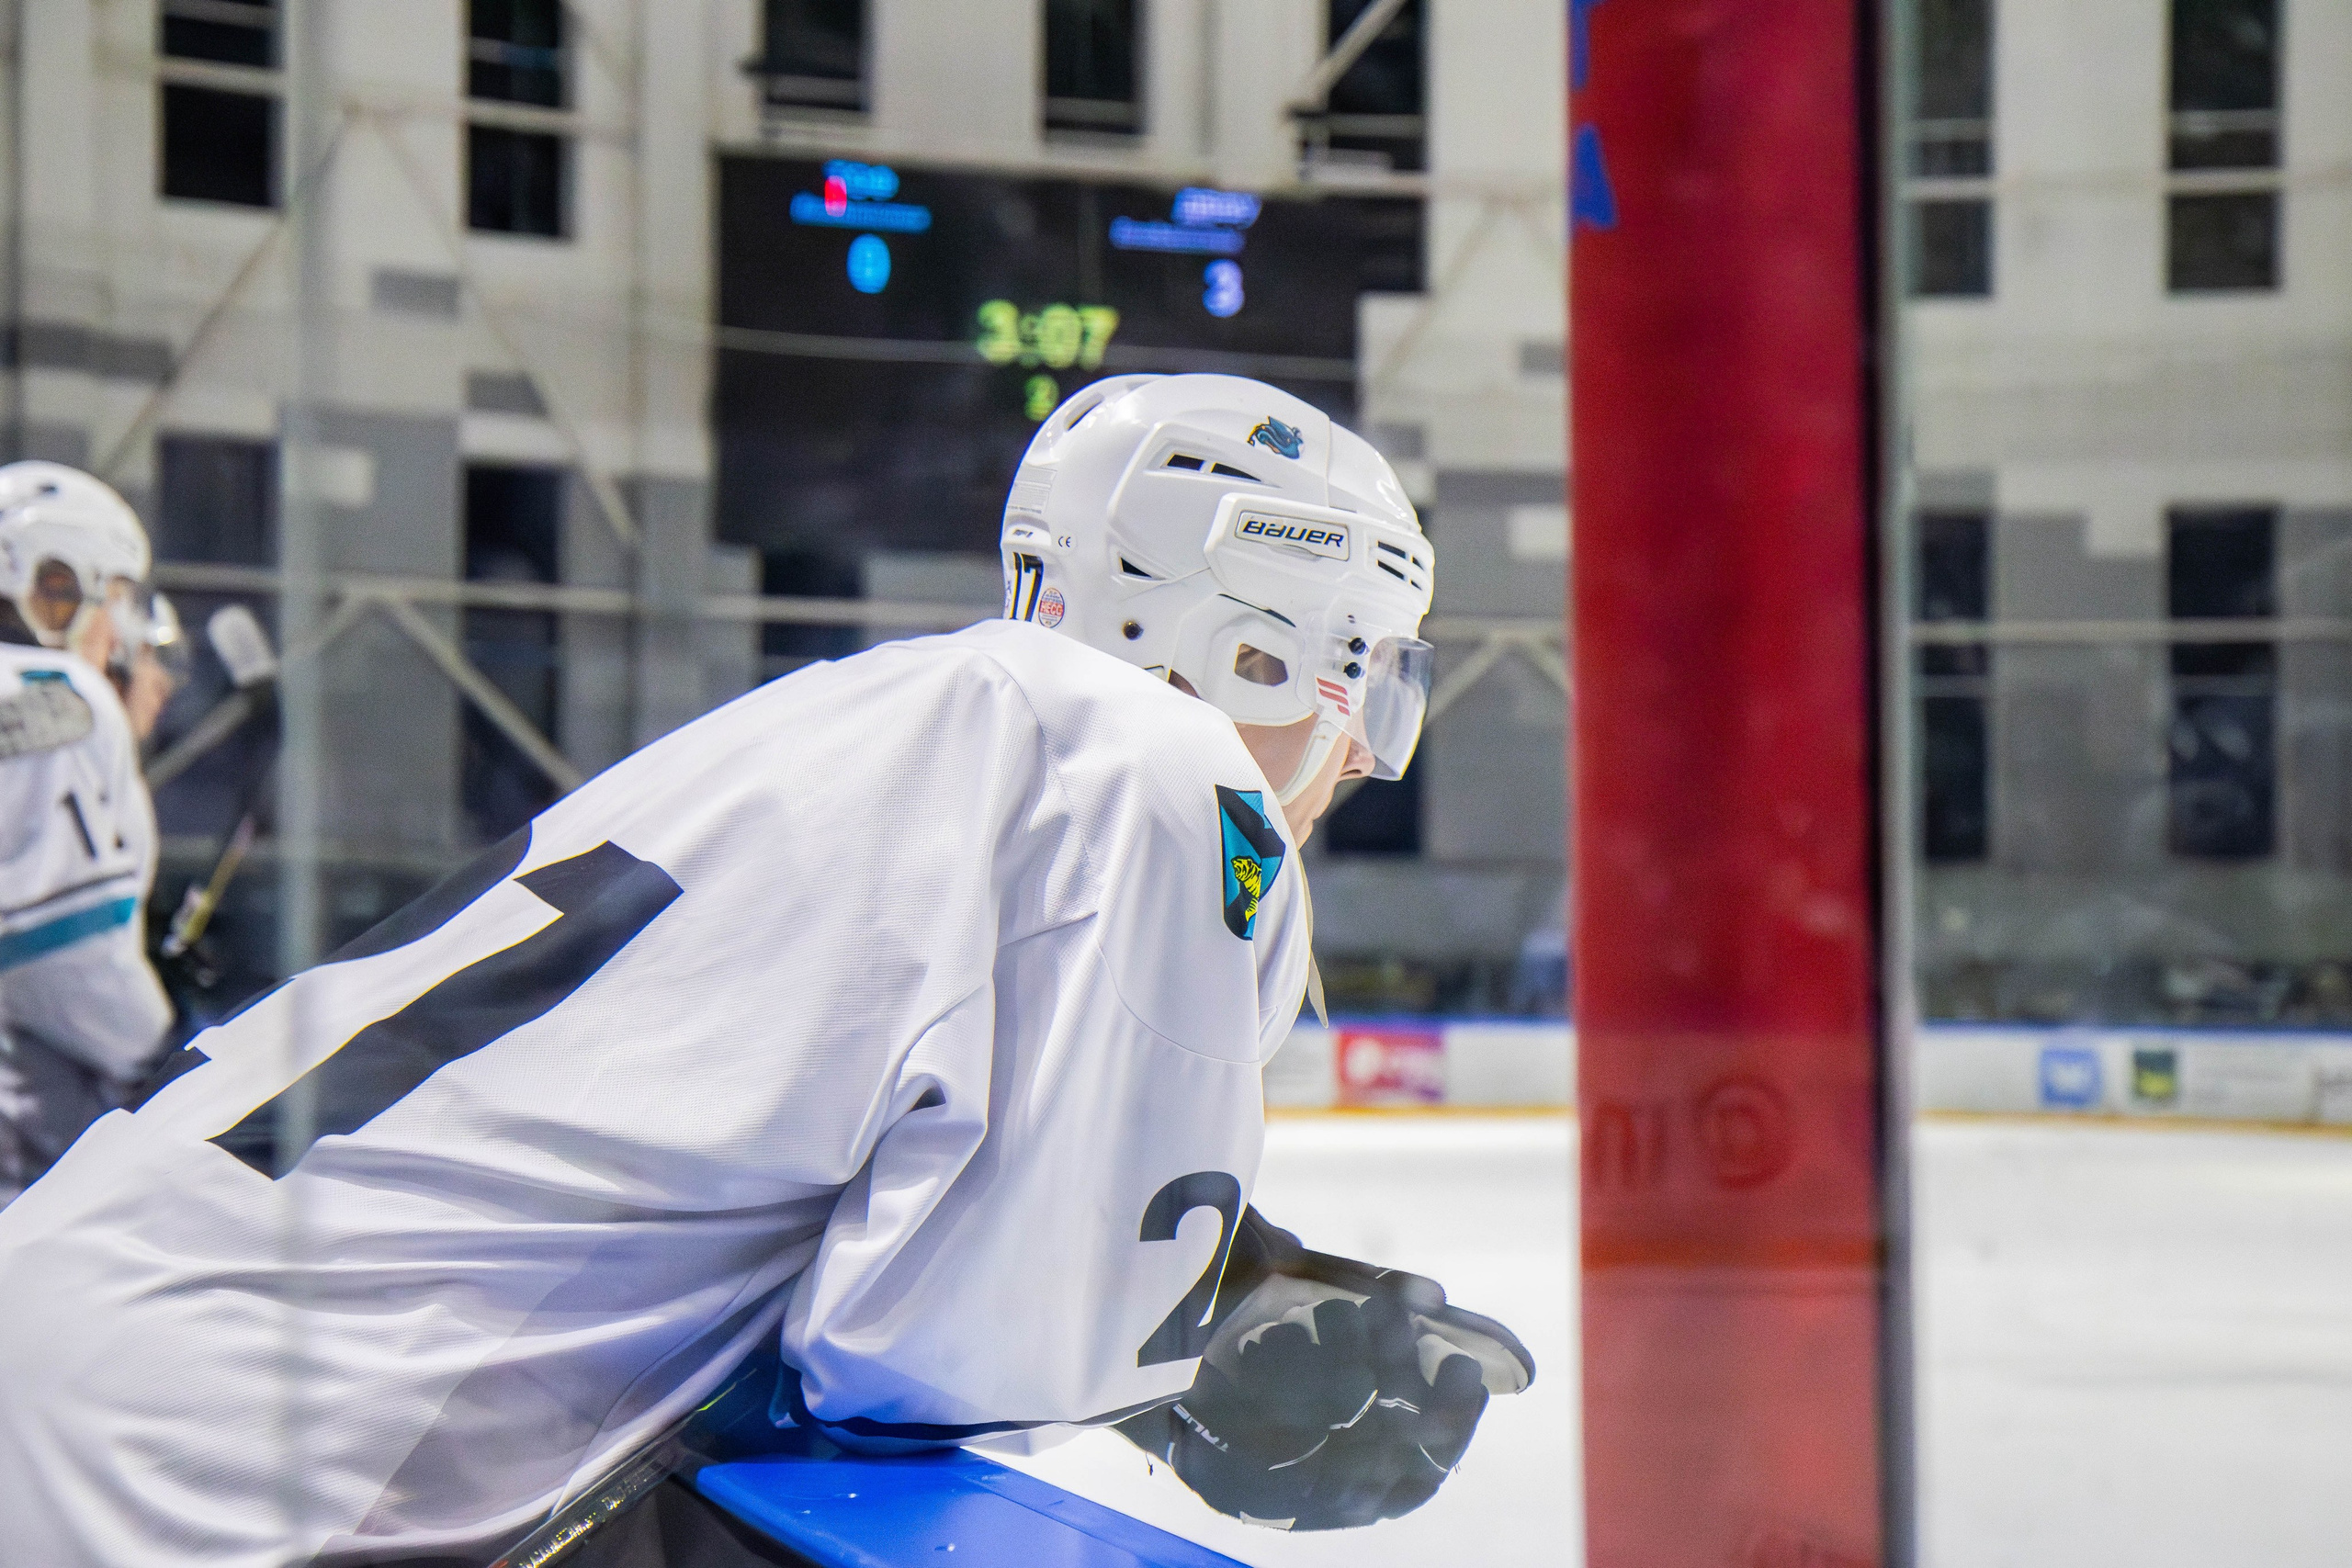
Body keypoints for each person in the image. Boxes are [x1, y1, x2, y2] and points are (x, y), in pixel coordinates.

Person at [0, 377, 1523, 1565]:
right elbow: (917, 1361)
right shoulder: (1164, 769)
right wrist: (1174, 1355)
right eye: (1372, 682)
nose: (1360, 765)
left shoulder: (858, 718)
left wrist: (1212, 1280)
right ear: (1271, 645)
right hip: (217, 1485)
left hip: (77, 1347)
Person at [0, 461, 182, 1206]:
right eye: (112, 596)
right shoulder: (56, 697)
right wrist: (171, 1060)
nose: (117, 629)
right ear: (54, 581)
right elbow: (57, 942)